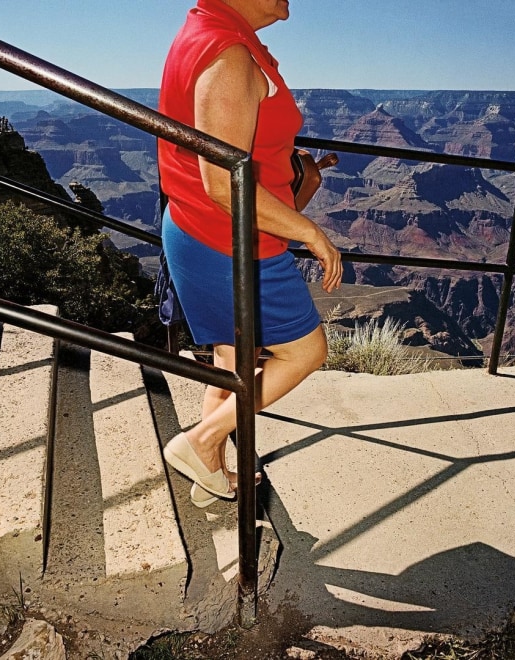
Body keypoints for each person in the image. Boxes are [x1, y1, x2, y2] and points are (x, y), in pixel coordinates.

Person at [158, 0, 342, 506]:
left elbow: (235, 144)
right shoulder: (230, 54)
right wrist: (310, 231)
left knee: (231, 358)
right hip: (231, 241)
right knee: (305, 352)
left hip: (201, 232)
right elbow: (222, 182)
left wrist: (290, 170)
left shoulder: (211, 29)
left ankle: (208, 472)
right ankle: (200, 442)